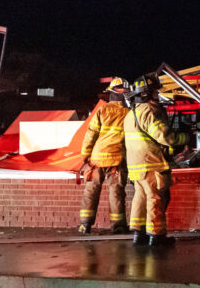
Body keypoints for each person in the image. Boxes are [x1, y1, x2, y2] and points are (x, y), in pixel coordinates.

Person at [124, 74, 188, 246]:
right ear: (146, 93)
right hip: (151, 164)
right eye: (154, 92)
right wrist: (185, 137)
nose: (157, 95)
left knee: (140, 197)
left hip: (136, 166)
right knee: (155, 198)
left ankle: (139, 234)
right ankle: (156, 236)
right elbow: (165, 136)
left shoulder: (131, 114)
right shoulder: (149, 111)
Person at [78, 77, 131, 234]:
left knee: (91, 190)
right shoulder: (129, 113)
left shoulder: (102, 110)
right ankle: (118, 225)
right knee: (116, 192)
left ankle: (85, 224)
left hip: (97, 158)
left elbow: (91, 134)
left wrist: (85, 156)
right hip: (117, 160)